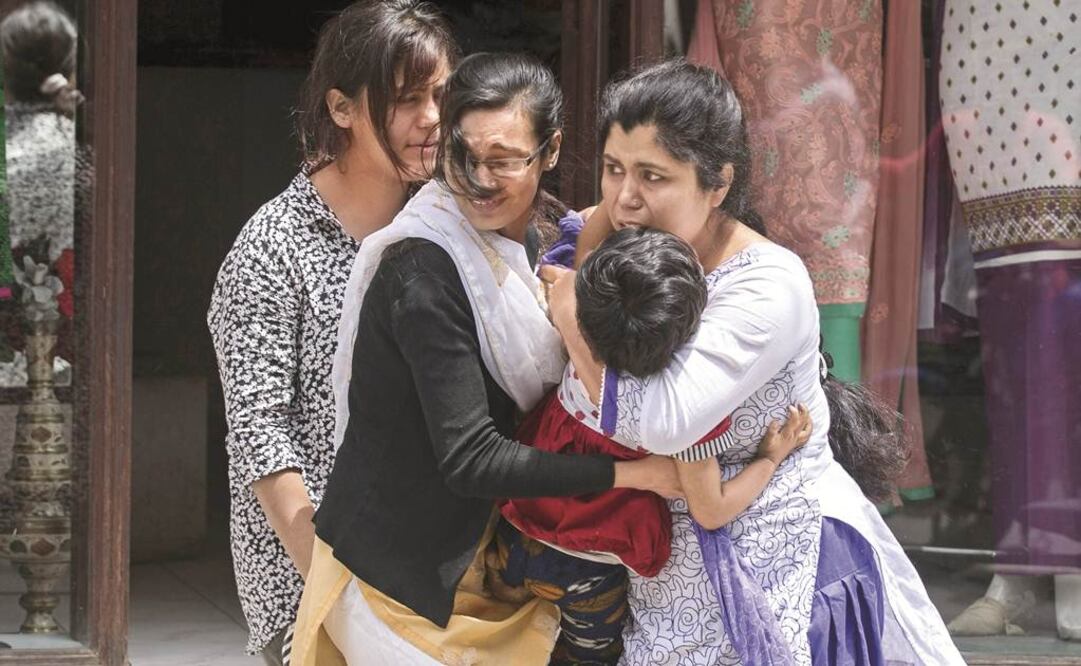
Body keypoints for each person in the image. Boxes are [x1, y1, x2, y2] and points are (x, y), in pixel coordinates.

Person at [545, 59, 965, 665]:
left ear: (717, 185)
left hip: (781, 573)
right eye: (613, 170)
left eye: (652, 176)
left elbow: (668, 420)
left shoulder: (767, 285)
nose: (625, 198)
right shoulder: (620, 255)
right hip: (668, 590)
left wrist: (570, 319)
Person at [288, 52, 681, 666]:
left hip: (489, 561)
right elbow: (472, 460)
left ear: (549, 152)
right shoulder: (424, 273)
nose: (478, 180)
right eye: (462, 157)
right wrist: (638, 476)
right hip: (401, 583)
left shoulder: (539, 239)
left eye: (502, 160)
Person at [206, 2, 456, 661]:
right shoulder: (270, 252)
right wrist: (337, 592)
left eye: (441, 94)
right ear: (341, 108)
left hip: (435, 580)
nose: (432, 118)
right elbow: (262, 437)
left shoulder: (444, 228)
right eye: (406, 99)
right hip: (314, 590)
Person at [493, 227, 813, 664]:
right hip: (591, 568)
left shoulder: (582, 343)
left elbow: (572, 269)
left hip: (516, 528)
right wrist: (770, 459)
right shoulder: (685, 424)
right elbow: (711, 509)